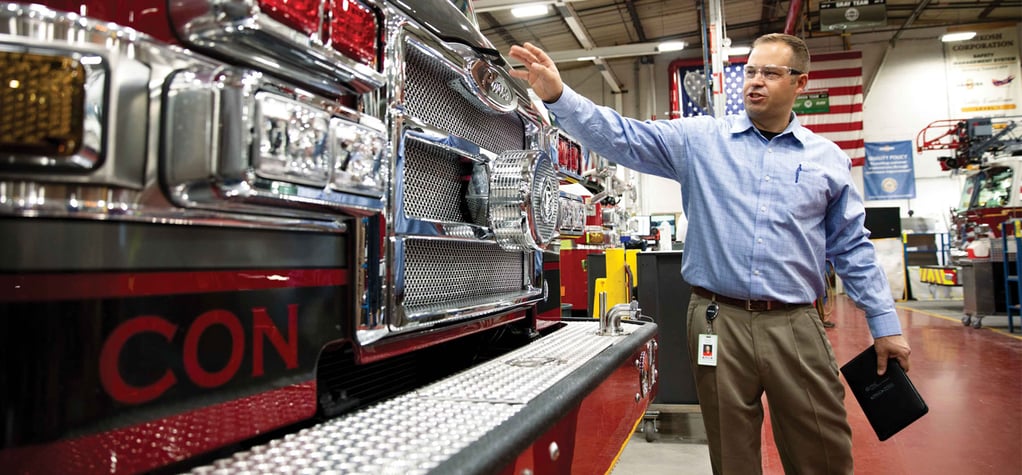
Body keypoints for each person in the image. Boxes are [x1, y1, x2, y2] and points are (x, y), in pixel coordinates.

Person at [510, 33, 912, 474]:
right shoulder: (701, 141)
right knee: (731, 451)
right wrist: (560, 97)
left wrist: (884, 324)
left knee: (822, 448)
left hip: (795, 322)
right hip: (718, 321)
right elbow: (622, 136)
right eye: (752, 71)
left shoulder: (827, 159)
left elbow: (852, 247)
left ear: (800, 84)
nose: (755, 82)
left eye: (771, 73)